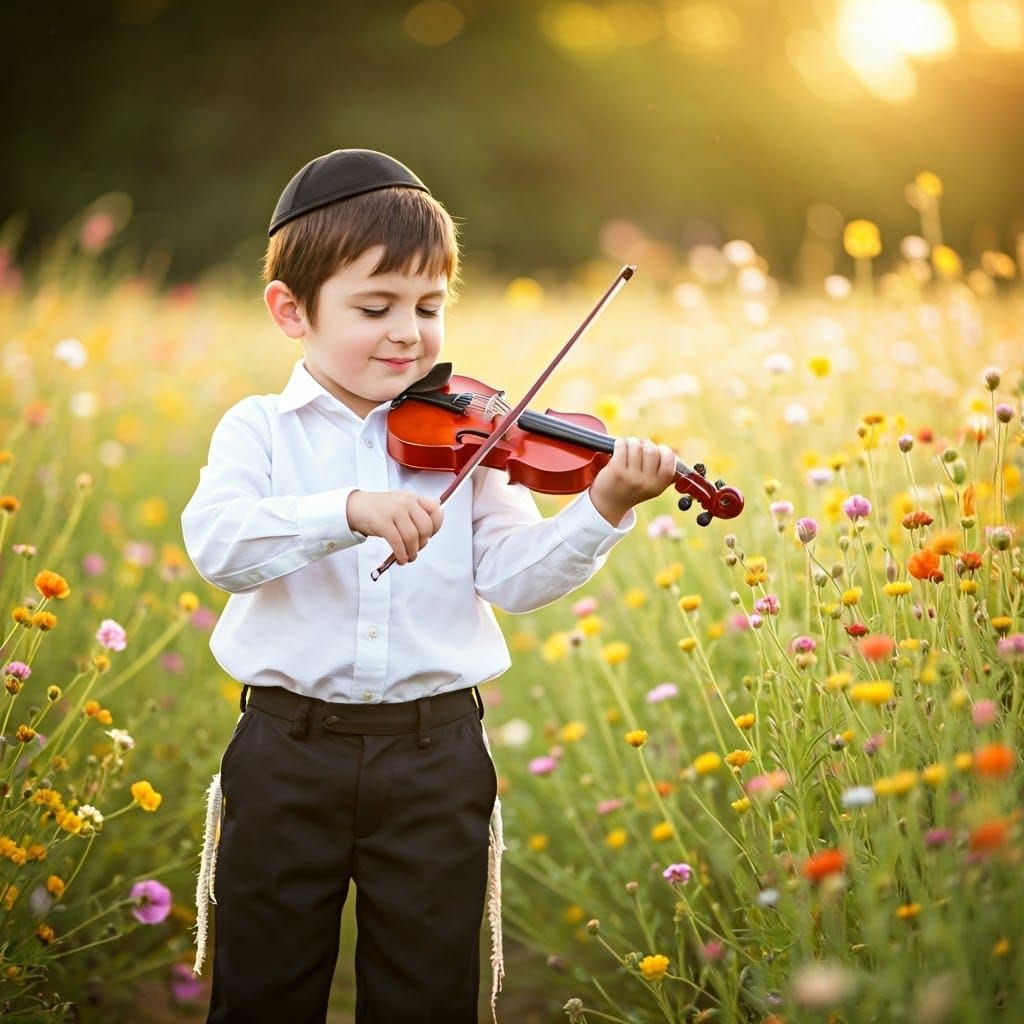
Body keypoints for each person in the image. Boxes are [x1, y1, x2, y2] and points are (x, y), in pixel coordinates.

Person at [181, 148, 679, 1024]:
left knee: (428, 991)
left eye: (429, 306)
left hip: (434, 755)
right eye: (375, 308)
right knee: (264, 987)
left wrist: (601, 507)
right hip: (287, 749)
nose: (408, 333)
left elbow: (513, 578)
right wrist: (348, 509)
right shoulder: (259, 430)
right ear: (291, 311)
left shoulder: (472, 440)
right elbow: (220, 545)